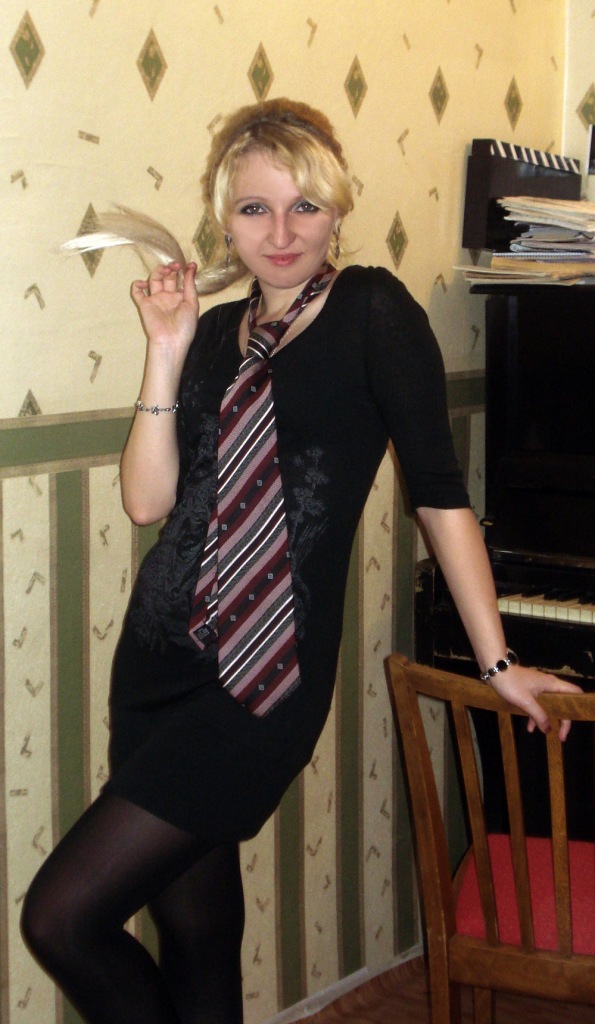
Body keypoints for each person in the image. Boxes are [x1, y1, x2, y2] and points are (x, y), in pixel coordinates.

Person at [21, 98, 580, 1024]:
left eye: (304, 207)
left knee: (61, 919)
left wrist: (496, 662)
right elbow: (148, 503)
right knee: (197, 935)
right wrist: (165, 349)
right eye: (254, 209)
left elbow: (439, 494)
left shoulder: (372, 312)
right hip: (156, 664)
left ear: (335, 210)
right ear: (223, 218)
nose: (280, 234)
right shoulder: (210, 333)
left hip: (259, 685)